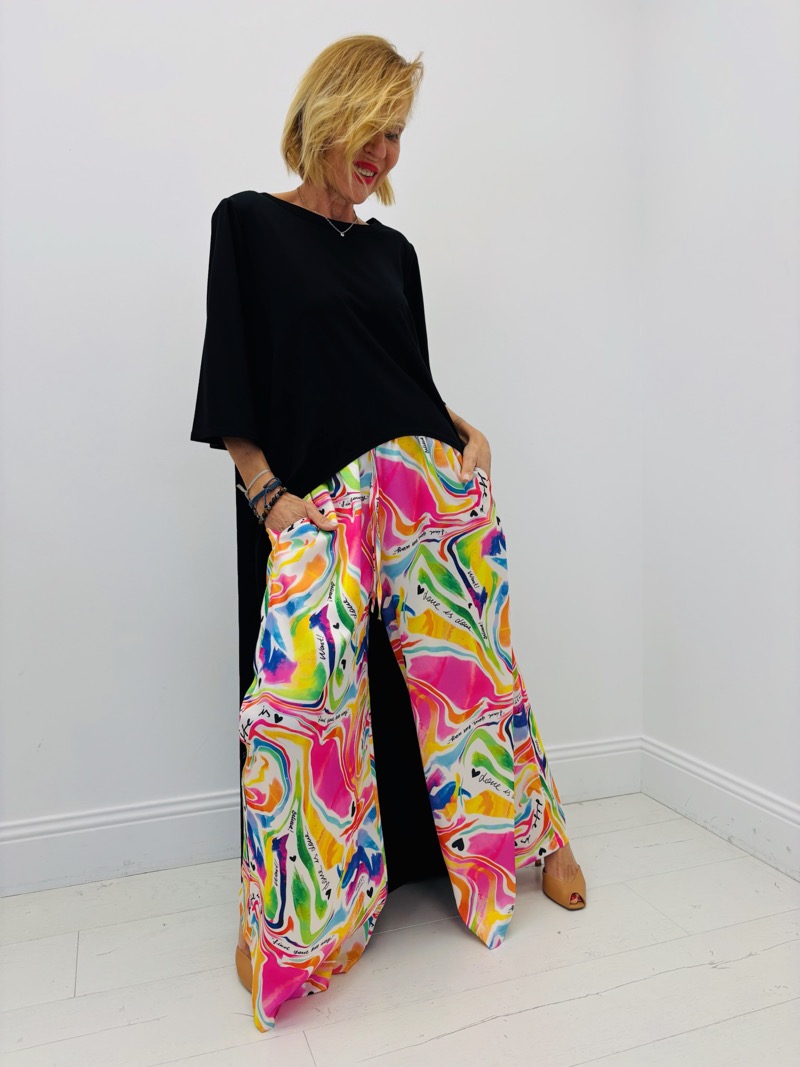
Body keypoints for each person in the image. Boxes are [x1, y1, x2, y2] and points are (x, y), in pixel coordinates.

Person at [191, 34, 587, 1033]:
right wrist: (265, 493)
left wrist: (464, 429)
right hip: (318, 503)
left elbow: (402, 375)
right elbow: (232, 376)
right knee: (297, 707)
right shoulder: (246, 224)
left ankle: (534, 838)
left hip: (423, 492)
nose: (382, 152)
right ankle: (279, 916)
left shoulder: (391, 252)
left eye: (397, 134)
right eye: (370, 128)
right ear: (325, 114)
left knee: (475, 672)